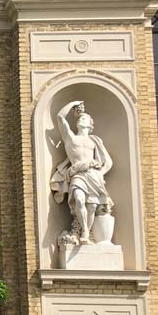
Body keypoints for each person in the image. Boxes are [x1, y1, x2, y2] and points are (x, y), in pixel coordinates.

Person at [50, 100, 113, 244]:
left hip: (93, 175)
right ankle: (84, 229)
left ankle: (85, 234)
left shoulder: (95, 141)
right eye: (79, 118)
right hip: (77, 174)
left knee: (91, 206)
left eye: (84, 118)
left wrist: (101, 174)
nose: (80, 119)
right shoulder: (71, 138)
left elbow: (108, 162)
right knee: (79, 199)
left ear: (90, 125)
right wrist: (73, 103)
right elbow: (60, 117)